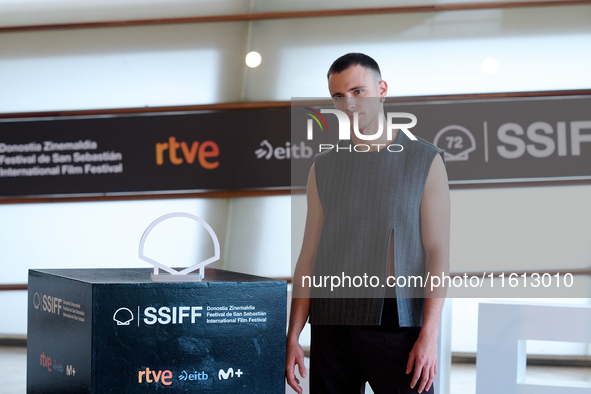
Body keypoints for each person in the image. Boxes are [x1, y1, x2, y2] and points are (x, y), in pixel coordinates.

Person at [286, 53, 450, 394]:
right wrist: (293, 335)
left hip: (397, 323)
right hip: (332, 325)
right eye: (338, 96)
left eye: (358, 91)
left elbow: (438, 254)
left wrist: (429, 336)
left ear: (382, 89)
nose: (348, 103)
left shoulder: (425, 160)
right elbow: (309, 256)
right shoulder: (323, 166)